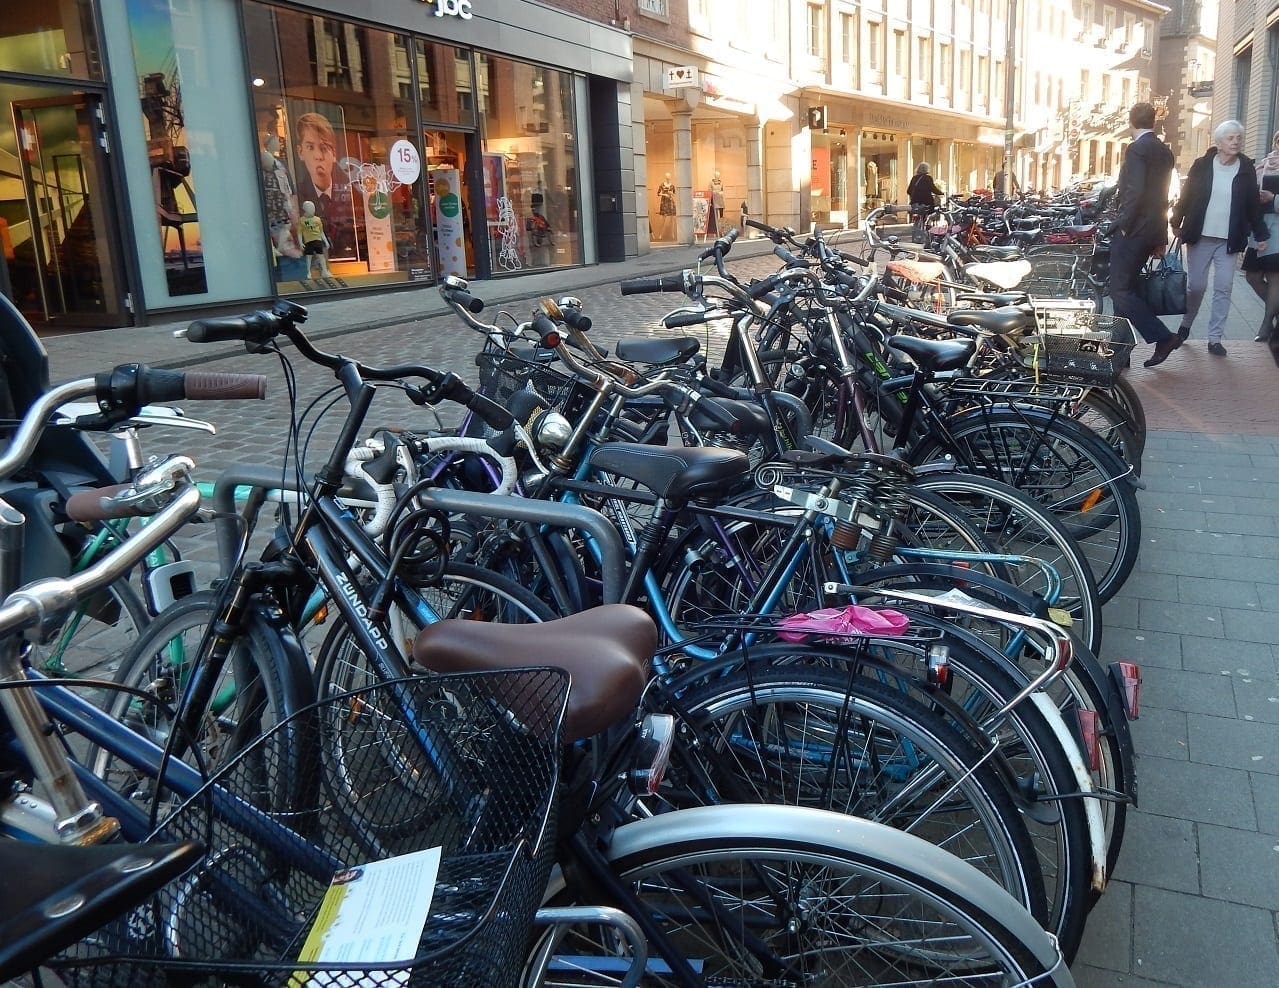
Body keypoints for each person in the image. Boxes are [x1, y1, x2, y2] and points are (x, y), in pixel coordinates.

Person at [1169, 119, 1269, 356]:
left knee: (1224, 287)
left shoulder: (1245, 169)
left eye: (1238, 138)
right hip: (1200, 235)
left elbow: (1252, 206)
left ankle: (1215, 338)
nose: (1236, 142)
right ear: (1219, 142)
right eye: (1230, 138)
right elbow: (1187, 195)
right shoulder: (1202, 165)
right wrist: (1176, 220)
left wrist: (1261, 234)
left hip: (1229, 240)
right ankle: (1186, 325)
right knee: (1197, 286)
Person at [1108, 103, 1180, 368]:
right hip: (1151, 228)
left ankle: (1163, 337)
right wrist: (1160, 236)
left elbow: (1135, 190)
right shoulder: (1164, 151)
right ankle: (1120, 353)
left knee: (1119, 289)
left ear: (1131, 122)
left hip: (1134, 230)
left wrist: (1123, 223)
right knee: (1125, 287)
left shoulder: (1137, 148)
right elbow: (1161, 196)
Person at [293, 111, 356, 260]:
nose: (318, 156)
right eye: (310, 147)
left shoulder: (349, 191)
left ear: (334, 153)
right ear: (300, 152)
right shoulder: (296, 195)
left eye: (324, 148)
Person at [1243, 131, 1279, 343]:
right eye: (1277, 140)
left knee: (1275, 278)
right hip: (1259, 230)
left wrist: (1273, 199)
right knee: (1252, 277)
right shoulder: (1263, 165)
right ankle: (1275, 312)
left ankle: (1266, 325)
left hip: (1278, 230)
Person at [907, 163, 943, 241]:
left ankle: (915, 235)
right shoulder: (928, 178)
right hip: (926, 202)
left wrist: (914, 196)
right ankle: (928, 230)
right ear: (927, 169)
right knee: (931, 215)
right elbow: (933, 188)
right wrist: (941, 193)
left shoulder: (914, 178)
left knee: (917, 215)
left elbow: (909, 190)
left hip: (915, 203)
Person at [298, 200, 330, 279]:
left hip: (317, 240)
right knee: (309, 257)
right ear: (305, 209)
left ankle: (325, 271)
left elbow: (321, 232)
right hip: (308, 241)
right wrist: (300, 243)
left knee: (321, 256)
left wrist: (326, 241)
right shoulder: (302, 220)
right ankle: (308, 272)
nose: (312, 210)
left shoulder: (317, 219)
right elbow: (299, 233)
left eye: (313, 208)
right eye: (310, 208)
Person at [655, 173, 676, 241]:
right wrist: (664, 194)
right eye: (667, 176)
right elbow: (658, 193)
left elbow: (674, 194)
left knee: (672, 219)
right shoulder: (662, 185)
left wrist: (671, 193)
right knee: (662, 219)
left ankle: (672, 234)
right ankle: (660, 234)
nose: (668, 178)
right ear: (665, 177)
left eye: (669, 176)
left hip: (670, 202)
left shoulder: (672, 186)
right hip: (664, 203)